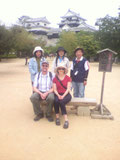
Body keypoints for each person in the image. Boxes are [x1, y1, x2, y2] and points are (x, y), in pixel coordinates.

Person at [53, 63, 72, 129]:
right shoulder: (55, 78)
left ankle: (66, 120)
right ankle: (57, 117)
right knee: (55, 101)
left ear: (64, 70)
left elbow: (68, 89)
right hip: (58, 93)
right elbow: (54, 89)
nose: (61, 70)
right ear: (57, 70)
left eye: (62, 69)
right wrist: (58, 95)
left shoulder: (68, 78)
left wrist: (63, 96)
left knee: (61, 102)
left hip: (66, 94)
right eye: (59, 68)